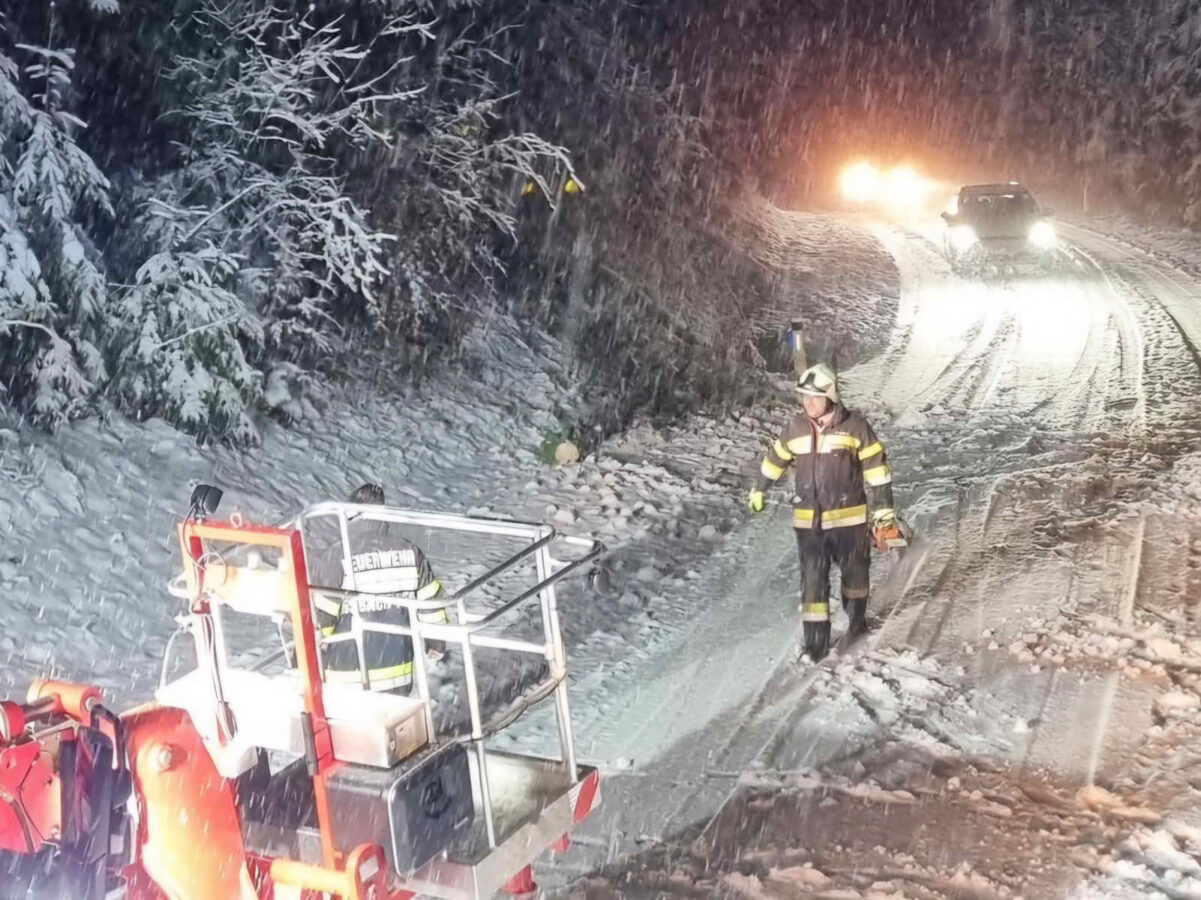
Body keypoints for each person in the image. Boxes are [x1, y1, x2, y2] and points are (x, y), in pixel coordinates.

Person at [747, 364, 901, 661]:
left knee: (855, 577)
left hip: (849, 522)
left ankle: (856, 621)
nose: (808, 403)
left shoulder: (855, 427)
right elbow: (775, 459)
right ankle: (815, 645)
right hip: (810, 525)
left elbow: (877, 469)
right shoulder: (795, 428)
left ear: (830, 397)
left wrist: (884, 512)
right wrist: (759, 488)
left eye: (815, 397)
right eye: (804, 397)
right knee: (813, 584)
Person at [313, 483, 449, 693]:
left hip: (347, 676)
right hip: (398, 674)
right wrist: (436, 645)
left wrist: (313, 649)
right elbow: (432, 606)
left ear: (350, 515)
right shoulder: (410, 552)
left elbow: (321, 617)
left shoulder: (338, 555)